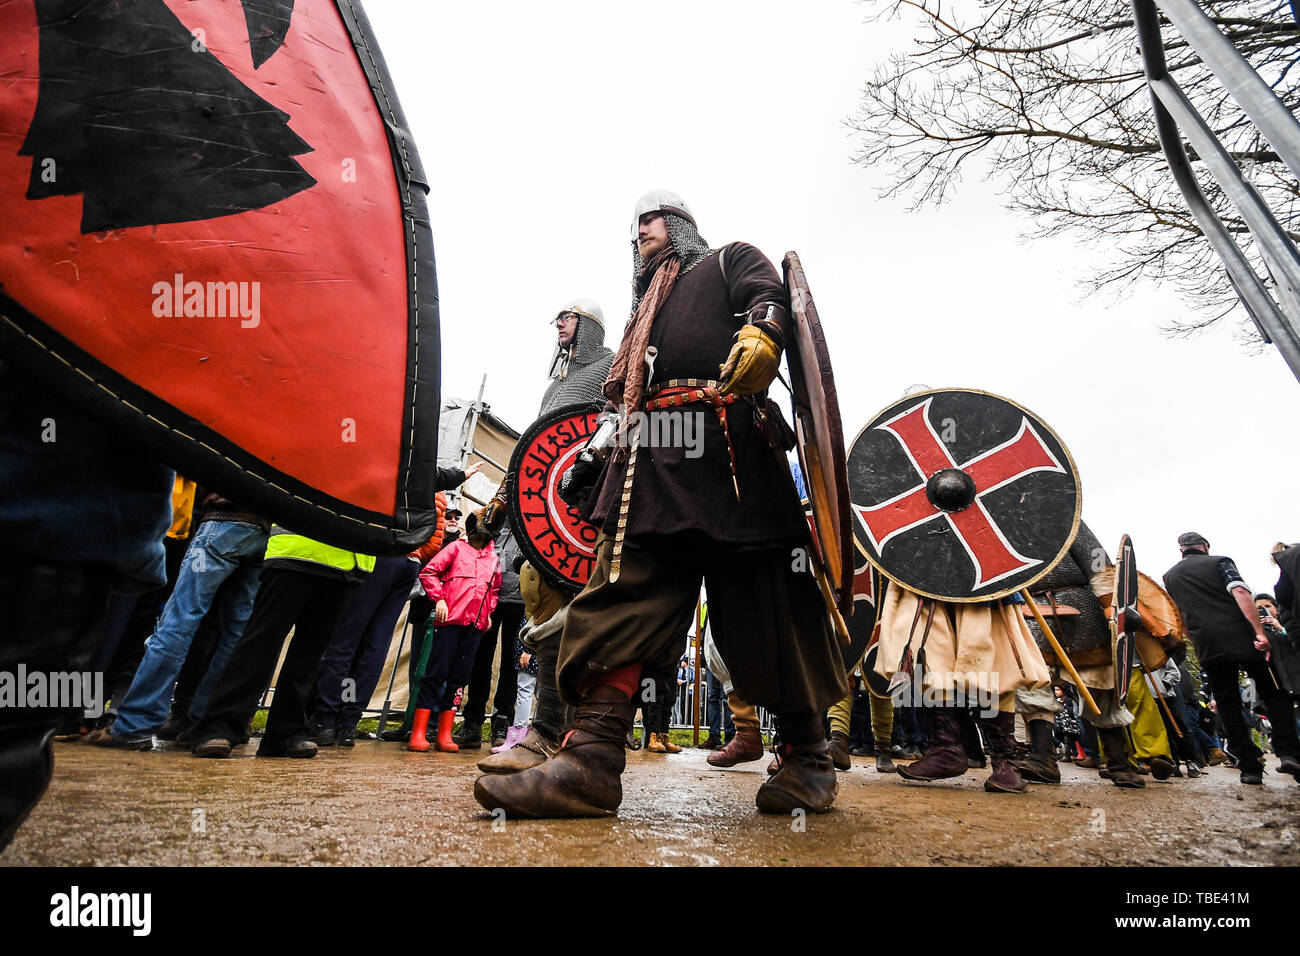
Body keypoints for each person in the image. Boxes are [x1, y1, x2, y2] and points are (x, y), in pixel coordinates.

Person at [474, 190, 848, 818]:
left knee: (771, 606)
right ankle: (589, 762)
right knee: (622, 595)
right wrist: (594, 455)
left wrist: (763, 333)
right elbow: (624, 395)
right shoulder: (644, 307)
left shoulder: (728, 259)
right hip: (649, 460)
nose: (639, 230)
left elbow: (771, 295)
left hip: (732, 454)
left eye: (650, 219)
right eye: (635, 224)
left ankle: (808, 757)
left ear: (679, 224)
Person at [475, 299, 614, 774]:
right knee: (539, 596)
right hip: (544, 512)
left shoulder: (610, 367)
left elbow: (616, 425)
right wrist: (502, 497)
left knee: (585, 621)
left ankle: (578, 735)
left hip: (587, 510)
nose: (559, 324)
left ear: (589, 326)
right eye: (558, 318)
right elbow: (533, 448)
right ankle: (545, 731)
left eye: (568, 317)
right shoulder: (555, 386)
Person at [87, 490, 270, 749]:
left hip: (224, 520)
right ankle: (204, 724)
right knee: (235, 636)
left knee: (179, 621)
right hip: (265, 531)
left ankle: (135, 724)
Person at [1163, 531, 1300, 785]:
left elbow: (1177, 615)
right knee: (1274, 692)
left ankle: (1249, 766)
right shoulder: (1220, 562)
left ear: (1181, 550)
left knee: (1227, 703)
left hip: (1207, 644)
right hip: (1242, 636)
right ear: (1205, 546)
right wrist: (1259, 632)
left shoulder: (1169, 577)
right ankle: (1288, 752)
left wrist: (1196, 639)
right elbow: (1240, 592)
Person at [407, 508, 502, 752]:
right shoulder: (456, 549)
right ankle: (418, 731)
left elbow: (493, 589)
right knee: (435, 673)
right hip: (450, 621)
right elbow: (429, 572)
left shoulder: (493, 559)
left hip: (475, 625)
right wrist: (439, 598)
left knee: (459, 678)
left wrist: (488, 612)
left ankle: (444, 733)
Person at [453, 521, 524, 749]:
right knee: (480, 659)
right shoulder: (494, 519)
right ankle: (472, 722)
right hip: (488, 597)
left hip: (521, 599)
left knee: (512, 663)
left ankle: (503, 720)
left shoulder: (533, 520)